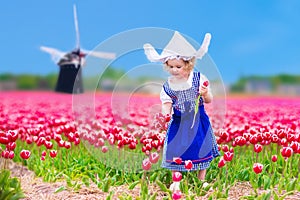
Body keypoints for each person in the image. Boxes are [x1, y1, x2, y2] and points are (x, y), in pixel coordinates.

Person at [143, 31, 220, 191]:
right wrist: (165, 115)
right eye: (170, 67)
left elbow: (209, 100)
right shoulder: (168, 85)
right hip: (178, 121)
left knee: (201, 147)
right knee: (175, 148)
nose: (174, 70)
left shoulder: (200, 79)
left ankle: (201, 179)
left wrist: (205, 93)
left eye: (178, 66)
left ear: (188, 64)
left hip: (198, 119)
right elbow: (167, 103)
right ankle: (176, 180)